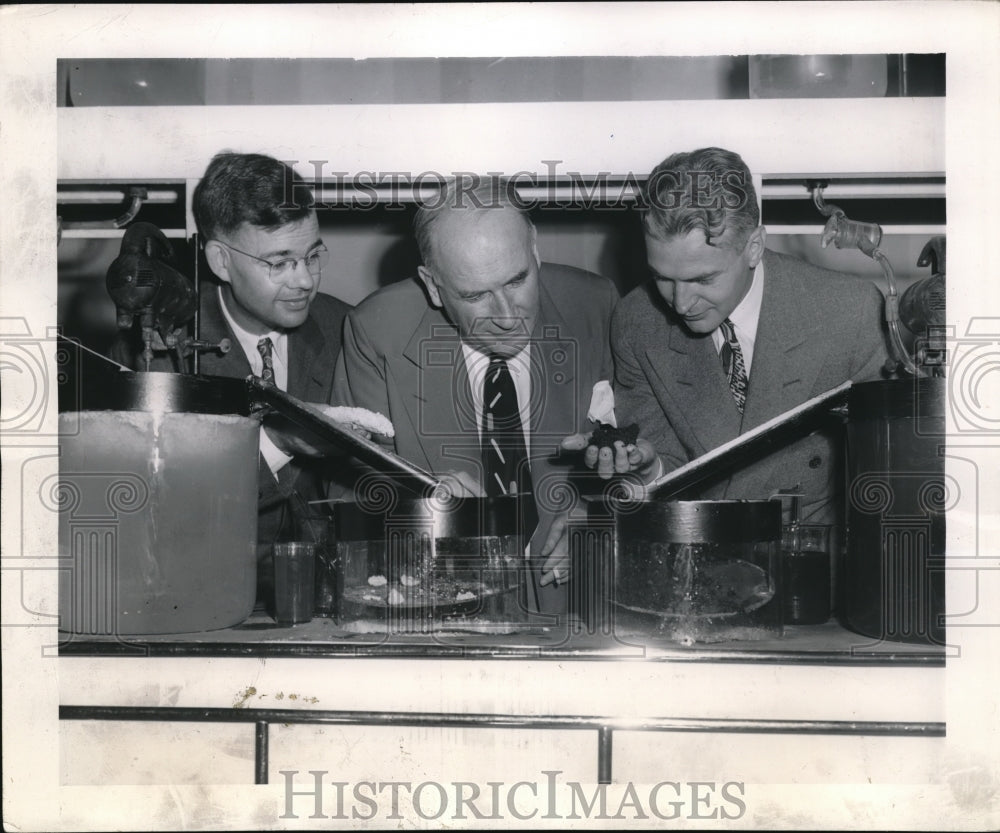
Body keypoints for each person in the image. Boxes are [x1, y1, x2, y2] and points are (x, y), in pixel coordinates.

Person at [332, 176, 619, 614]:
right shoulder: (377, 331)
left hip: (580, 606)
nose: (507, 316)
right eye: (476, 296)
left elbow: (638, 459)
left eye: (518, 280)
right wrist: (436, 518)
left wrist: (600, 516)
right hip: (446, 610)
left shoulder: (595, 304)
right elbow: (351, 502)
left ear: (535, 248)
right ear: (432, 285)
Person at [568, 146, 890, 532]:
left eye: (703, 279)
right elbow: (666, 468)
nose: (680, 303)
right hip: (700, 557)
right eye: (662, 278)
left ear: (753, 247)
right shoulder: (638, 323)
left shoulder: (850, 313)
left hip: (817, 561)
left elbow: (884, 482)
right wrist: (647, 468)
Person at [113, 151, 356, 585]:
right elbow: (157, 509)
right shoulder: (159, 352)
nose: (304, 281)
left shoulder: (348, 330)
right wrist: (278, 442)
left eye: (313, 255)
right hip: (201, 588)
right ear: (220, 260)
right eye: (279, 263)